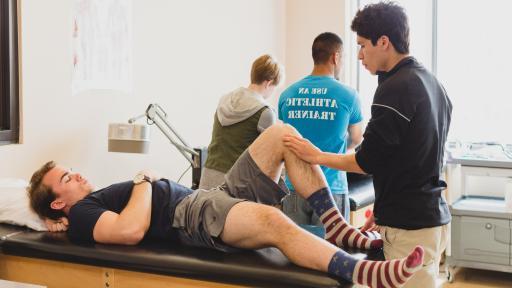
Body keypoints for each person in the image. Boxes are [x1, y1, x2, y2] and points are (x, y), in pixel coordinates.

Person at [29, 123, 424, 288]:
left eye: (73, 170)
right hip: (190, 217)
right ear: (60, 203)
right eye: (67, 179)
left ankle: (335, 224)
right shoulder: (82, 214)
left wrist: (145, 183)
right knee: (272, 219)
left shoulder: (87, 204)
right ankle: (361, 272)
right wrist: (143, 179)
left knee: (282, 135)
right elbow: (130, 231)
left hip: (208, 195)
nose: (78, 175)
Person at [283, 2, 452, 287]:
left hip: (411, 228)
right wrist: (385, 212)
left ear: (383, 42)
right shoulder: (433, 84)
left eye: (363, 46)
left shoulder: (395, 89)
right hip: (426, 218)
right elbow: (413, 157)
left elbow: (367, 160)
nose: (360, 55)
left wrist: (316, 156)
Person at [279, 32, 363, 227]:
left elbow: (284, 137)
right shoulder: (349, 95)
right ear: (335, 57)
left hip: (293, 187)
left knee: (292, 250)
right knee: (329, 252)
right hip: (331, 187)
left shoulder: (287, 94)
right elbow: (357, 137)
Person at [199, 54, 282, 190]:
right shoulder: (265, 112)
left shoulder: (224, 100)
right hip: (235, 186)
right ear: (268, 82)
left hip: (207, 179)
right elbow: (269, 159)